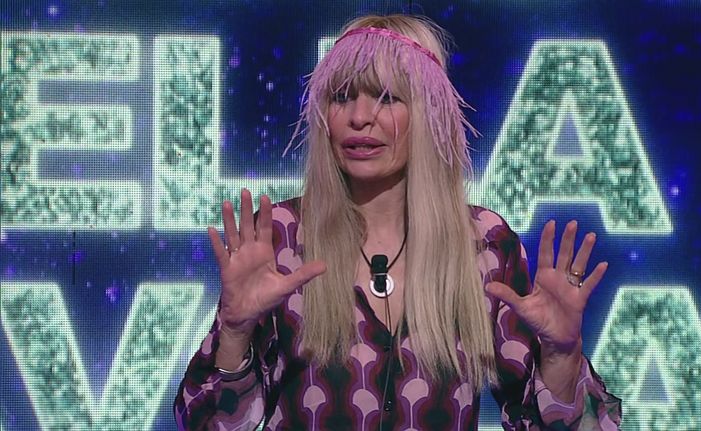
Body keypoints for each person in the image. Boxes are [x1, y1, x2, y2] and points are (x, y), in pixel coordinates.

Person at [175, 14, 622, 430]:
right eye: (342, 97)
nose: (359, 117)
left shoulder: (484, 244)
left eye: (386, 98)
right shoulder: (280, 236)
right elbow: (207, 424)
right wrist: (234, 332)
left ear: (428, 115)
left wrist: (561, 356)